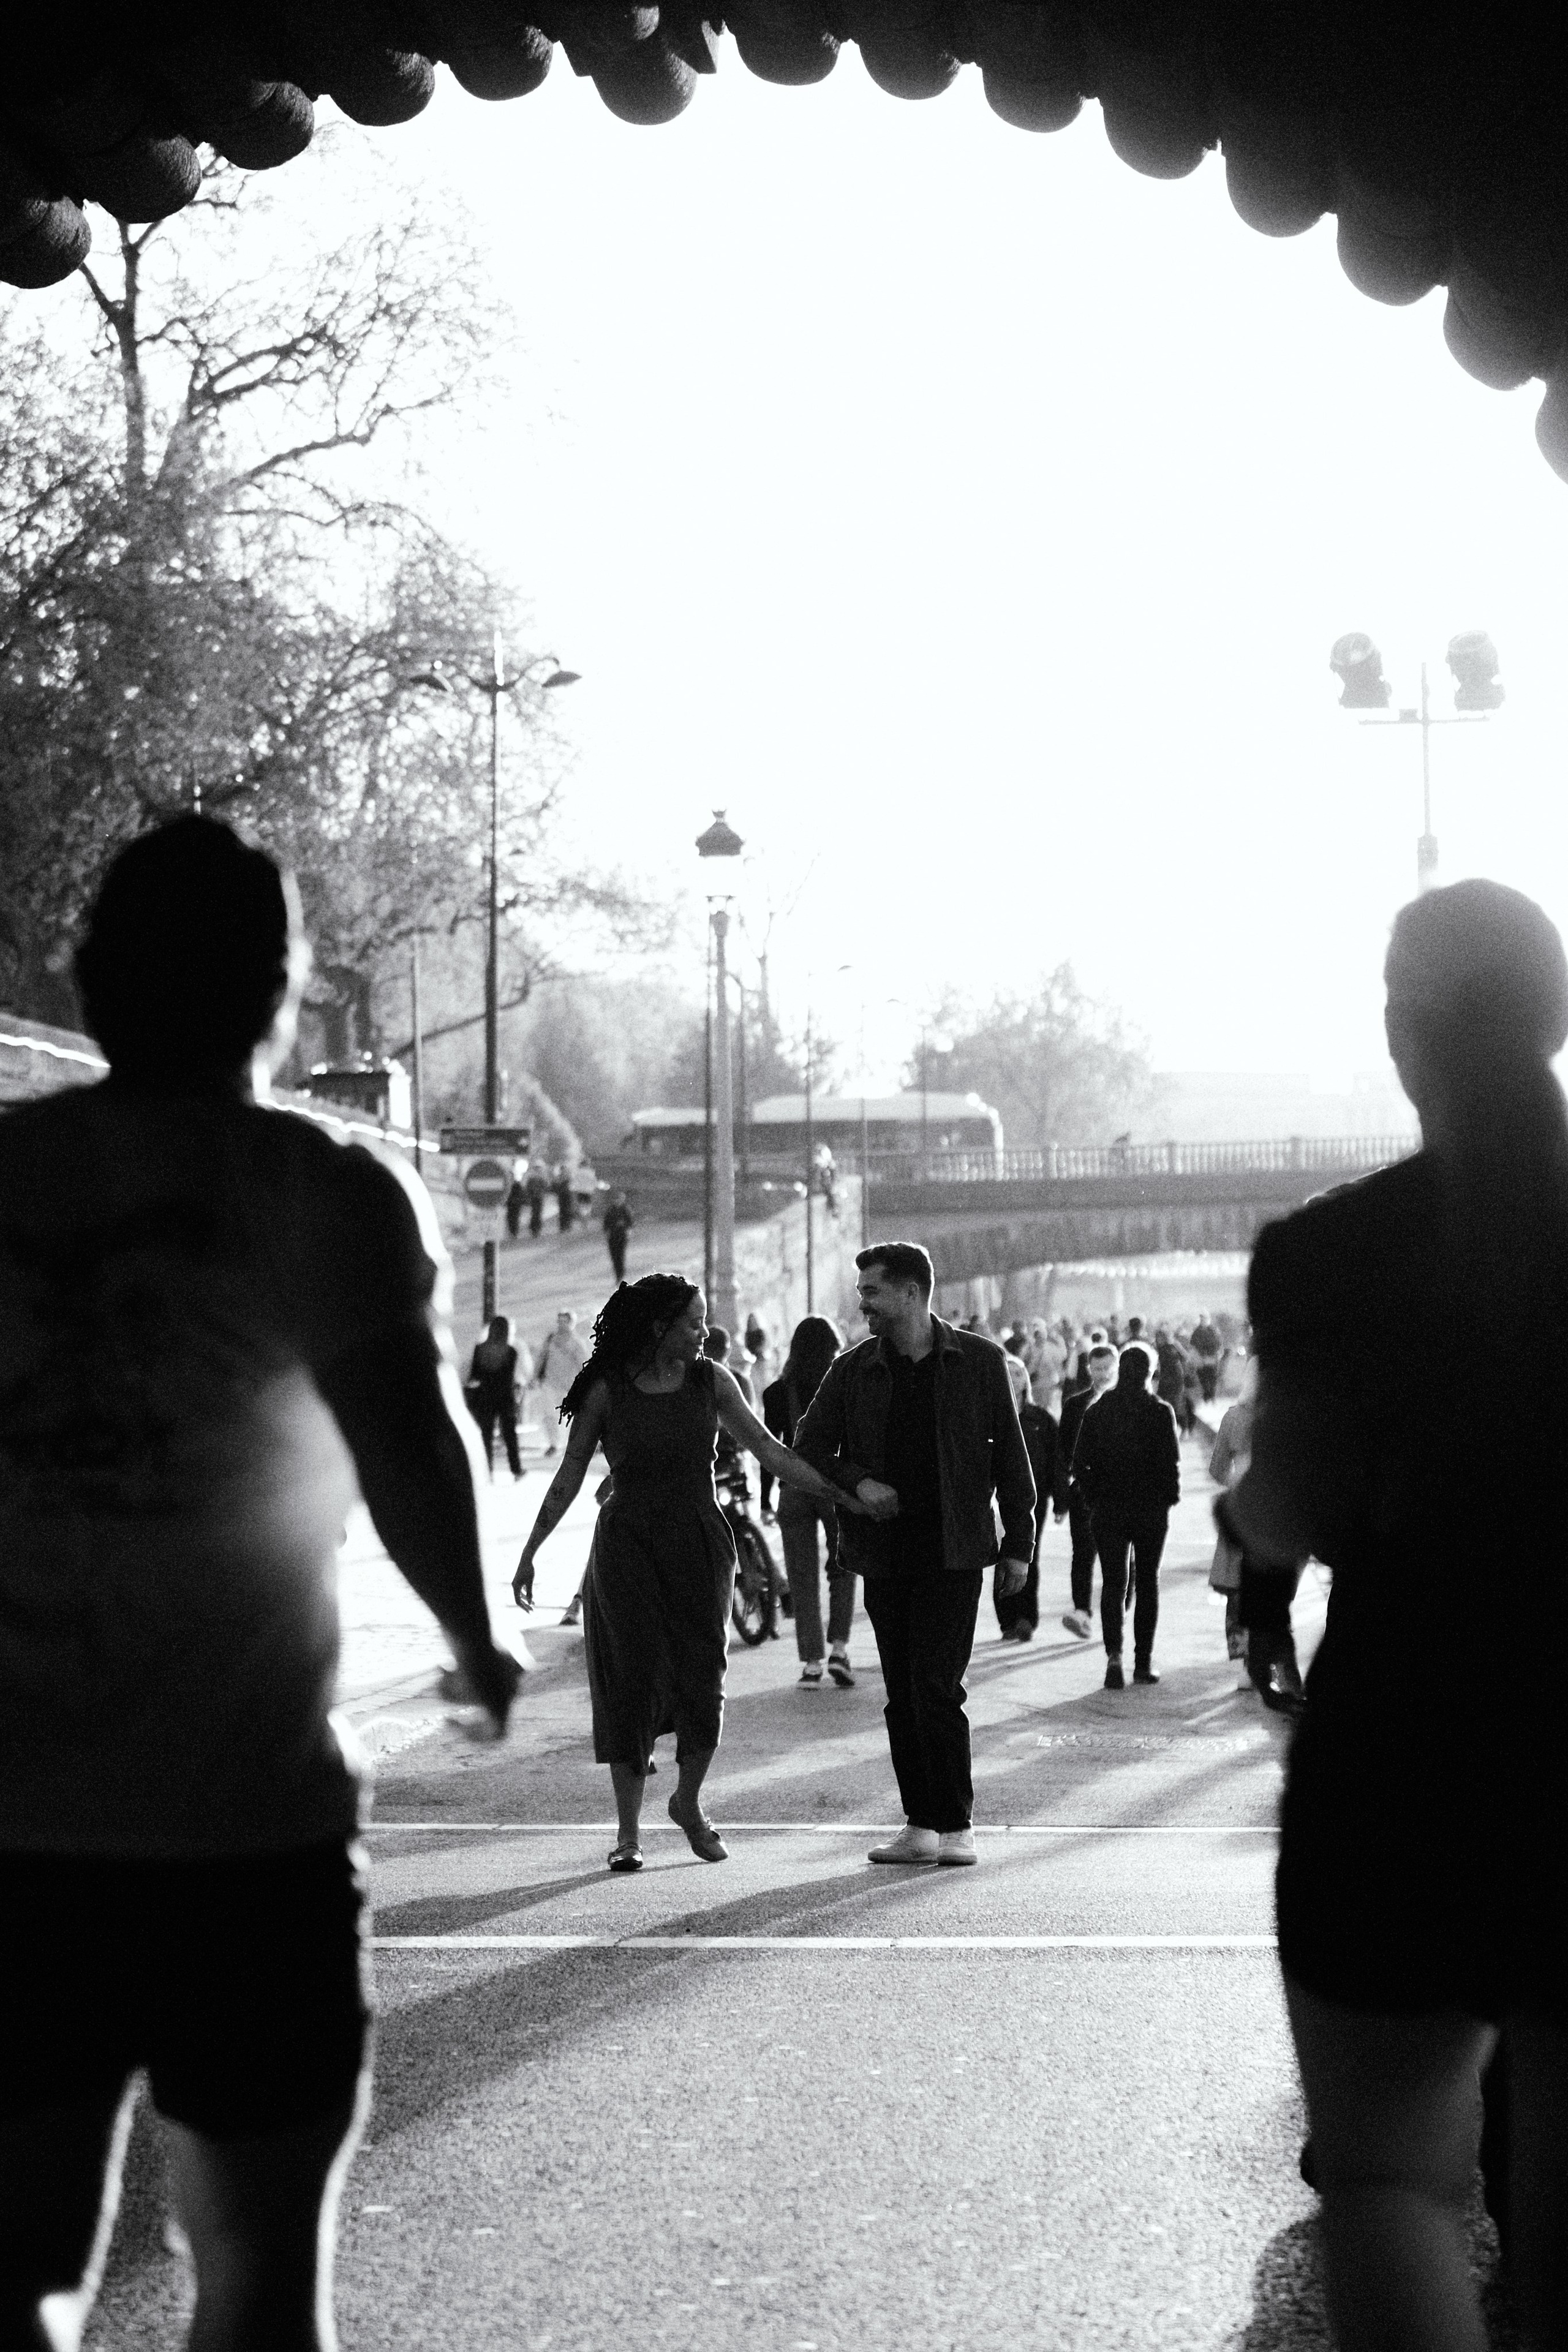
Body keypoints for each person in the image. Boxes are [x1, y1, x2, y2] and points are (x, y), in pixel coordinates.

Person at [0, 818, 520, 2352]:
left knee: (13, 2266)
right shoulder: (325, 1187)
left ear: (90, 978)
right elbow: (408, 1450)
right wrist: (474, 1638)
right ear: (279, 995)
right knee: (258, 2279)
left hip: (13, 1821)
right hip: (247, 1824)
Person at [1224, 878, 1568, 2352]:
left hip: (1404, 1759)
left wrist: (1240, 1500)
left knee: (1388, 2181)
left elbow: (1288, 1513)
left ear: (1397, 1032)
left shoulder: (1326, 1256)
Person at [510, 1275, 866, 1872]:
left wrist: (840, 1494)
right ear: (659, 1327)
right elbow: (569, 1475)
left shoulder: (711, 1382)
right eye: (694, 1322)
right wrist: (529, 1552)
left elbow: (771, 1453)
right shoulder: (607, 1388)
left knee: (704, 1674)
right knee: (632, 1679)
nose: (705, 1332)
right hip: (627, 1545)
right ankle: (628, 1834)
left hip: (700, 1540)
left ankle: (688, 1802)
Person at [794, 1242, 1036, 1868]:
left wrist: (1018, 1548)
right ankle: (919, 1823)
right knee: (902, 1692)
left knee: (936, 1686)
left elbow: (1012, 1458)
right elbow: (809, 1444)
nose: (863, 1305)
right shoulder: (853, 1369)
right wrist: (857, 1483)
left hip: (955, 1549)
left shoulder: (979, 1362)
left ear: (909, 1292)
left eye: (872, 1292)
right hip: (883, 1550)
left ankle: (956, 1825)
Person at [1071, 1342, 1180, 1687]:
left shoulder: (1098, 1411)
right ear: (1151, 1373)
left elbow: (1079, 1464)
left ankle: (1114, 1658)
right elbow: (1171, 1465)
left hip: (1108, 1510)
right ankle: (1143, 1662)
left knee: (1113, 1583)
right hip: (1150, 1511)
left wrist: (1093, 1498)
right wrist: (1168, 1499)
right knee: (1148, 1583)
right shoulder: (1161, 1412)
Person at [763, 1317, 855, 1686]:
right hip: (835, 1487)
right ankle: (839, 1650)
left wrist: (768, 1498)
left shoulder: (777, 1392)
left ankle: (812, 1662)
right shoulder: (844, 1387)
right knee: (843, 1568)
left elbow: (771, 1449)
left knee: (802, 1578)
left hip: (794, 1486)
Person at [996, 1349, 1069, 1643]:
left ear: (1025, 1380)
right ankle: (1007, 1620)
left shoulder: (1041, 1419)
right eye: (1006, 1373)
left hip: (1033, 1499)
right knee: (1002, 1558)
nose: (1012, 1379)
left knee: (1028, 1557)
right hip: (995, 1500)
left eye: (1016, 1373)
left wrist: (1062, 1501)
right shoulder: (993, 1415)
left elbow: (1056, 1462)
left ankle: (1027, 1617)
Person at [1057, 1341, 1117, 1636]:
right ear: (1088, 1369)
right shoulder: (1075, 1404)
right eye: (1096, 1369)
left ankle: (1117, 1606)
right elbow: (1063, 1450)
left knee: (1119, 1554)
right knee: (1082, 1552)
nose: (1102, 1374)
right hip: (1083, 1489)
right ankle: (1082, 1611)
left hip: (1120, 1493)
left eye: (1107, 1368)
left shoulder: (1129, 1402)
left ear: (1116, 1368)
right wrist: (1063, 1491)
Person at [465, 1314, 525, 1480]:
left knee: (486, 1434)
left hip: (484, 1396)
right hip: (505, 1397)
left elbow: (474, 1375)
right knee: (510, 1435)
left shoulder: (480, 1349)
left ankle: (487, 1470)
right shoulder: (511, 1351)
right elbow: (512, 1377)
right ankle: (516, 1470)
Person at [532, 1309, 587, 1455]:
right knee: (549, 1414)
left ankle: (575, 1445)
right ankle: (553, 1444)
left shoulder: (576, 1343)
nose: (561, 1325)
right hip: (550, 1383)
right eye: (560, 1322)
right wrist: (535, 1376)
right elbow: (541, 1359)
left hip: (569, 1386)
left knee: (573, 1417)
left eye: (564, 1322)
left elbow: (583, 1364)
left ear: (571, 1323)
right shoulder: (551, 1340)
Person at [1189, 1310, 1223, 1401]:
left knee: (1212, 1379)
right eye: (1201, 1318)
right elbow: (1193, 1345)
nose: (1203, 1320)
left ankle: (1212, 1397)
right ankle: (1206, 1398)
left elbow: (1219, 1344)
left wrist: (1217, 1356)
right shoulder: (1197, 1331)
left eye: (1204, 1318)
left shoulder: (1213, 1330)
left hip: (1212, 1359)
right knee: (1203, 1379)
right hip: (1201, 1360)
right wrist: (1197, 1358)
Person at [603, 1188, 633, 1282]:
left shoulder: (625, 1210)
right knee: (614, 1256)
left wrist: (628, 1232)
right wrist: (607, 1232)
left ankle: (620, 1275)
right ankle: (618, 1274)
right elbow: (606, 1223)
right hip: (612, 1236)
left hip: (622, 1236)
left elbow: (630, 1223)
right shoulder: (611, 1210)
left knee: (620, 1255)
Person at [524, 1163, 548, 1237]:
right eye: (537, 1168)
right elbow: (528, 1188)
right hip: (534, 1198)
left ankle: (537, 1229)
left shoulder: (542, 1178)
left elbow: (546, 1187)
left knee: (538, 1213)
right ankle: (534, 1229)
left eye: (539, 1168)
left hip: (539, 1197)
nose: (538, 1170)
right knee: (535, 1213)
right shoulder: (532, 1178)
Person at [552, 1164, 575, 1233]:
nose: (563, 1171)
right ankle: (564, 1226)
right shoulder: (564, 1177)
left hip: (566, 1195)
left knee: (567, 1211)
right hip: (563, 1195)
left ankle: (566, 1226)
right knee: (563, 1211)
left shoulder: (564, 1177)